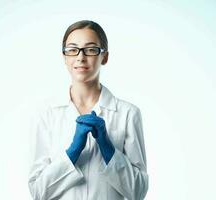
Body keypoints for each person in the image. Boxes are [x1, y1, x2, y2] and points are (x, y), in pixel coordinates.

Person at [28, 20, 148, 200]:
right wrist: (73, 151)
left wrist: (107, 148)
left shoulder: (128, 114)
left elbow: (138, 191)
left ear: (104, 57)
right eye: (72, 49)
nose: (80, 57)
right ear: (64, 57)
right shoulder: (46, 113)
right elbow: (38, 191)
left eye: (90, 49)